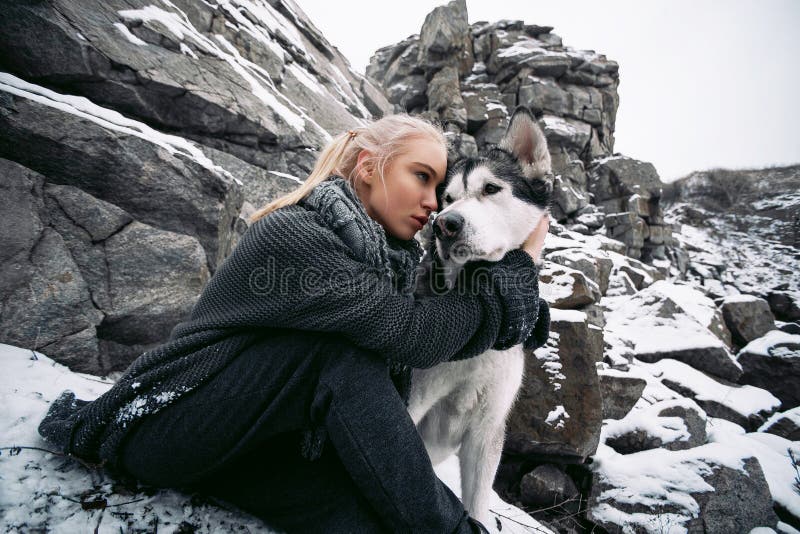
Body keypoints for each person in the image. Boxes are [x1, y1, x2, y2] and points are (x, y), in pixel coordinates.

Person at [38, 114, 550, 533]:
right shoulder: (298, 235)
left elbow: (446, 303)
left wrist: (524, 305)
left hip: (257, 446)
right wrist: (518, 272)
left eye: (438, 188)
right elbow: (411, 334)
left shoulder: (384, 257)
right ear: (370, 167)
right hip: (170, 421)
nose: (435, 204)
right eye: (422, 177)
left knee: (376, 518)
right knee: (339, 359)